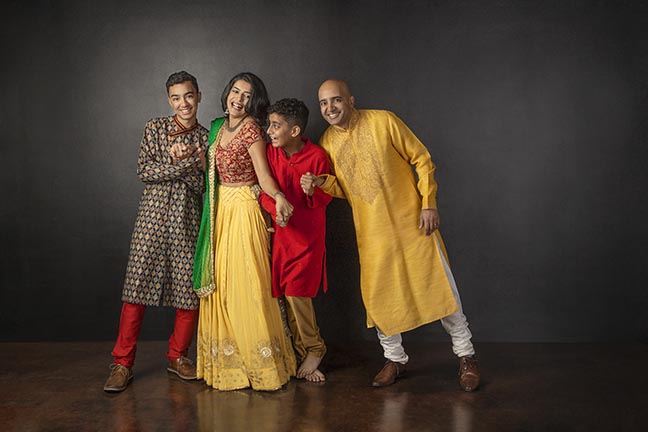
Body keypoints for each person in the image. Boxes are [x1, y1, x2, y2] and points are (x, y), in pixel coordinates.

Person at [300, 79, 480, 391]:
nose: (330, 108)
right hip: (373, 234)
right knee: (378, 297)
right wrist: (321, 183)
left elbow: (421, 158)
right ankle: (394, 358)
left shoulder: (384, 121)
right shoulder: (327, 142)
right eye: (324, 103)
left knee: (439, 286)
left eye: (336, 100)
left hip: (413, 223)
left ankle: (466, 356)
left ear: (350, 100)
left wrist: (428, 203)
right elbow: (347, 188)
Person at [104, 71, 207, 393]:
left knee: (188, 292)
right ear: (169, 100)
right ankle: (122, 363)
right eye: (176, 97)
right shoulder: (155, 127)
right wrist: (189, 163)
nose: (183, 103)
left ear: (199, 96)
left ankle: (178, 356)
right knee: (135, 290)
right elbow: (145, 170)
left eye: (188, 95)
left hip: (187, 220)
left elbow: (203, 186)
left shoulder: (207, 138)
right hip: (151, 219)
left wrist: (190, 165)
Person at [193, 72, 296, 391]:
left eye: (247, 95)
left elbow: (263, 175)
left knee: (247, 282)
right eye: (236, 91)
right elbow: (212, 171)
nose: (239, 99)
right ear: (227, 93)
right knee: (222, 283)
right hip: (220, 209)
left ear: (254, 101)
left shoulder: (252, 130)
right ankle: (230, 362)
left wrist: (278, 196)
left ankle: (259, 364)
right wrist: (197, 159)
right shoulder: (217, 127)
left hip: (244, 208)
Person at [259, 98, 332, 383]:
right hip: (282, 237)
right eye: (269, 125)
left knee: (296, 292)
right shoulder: (270, 153)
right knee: (286, 295)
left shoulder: (317, 156)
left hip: (308, 238)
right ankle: (303, 354)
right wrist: (275, 209)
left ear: (295, 130)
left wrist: (313, 188)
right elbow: (265, 191)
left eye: (275, 126)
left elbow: (328, 195)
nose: (269, 131)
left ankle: (315, 348)